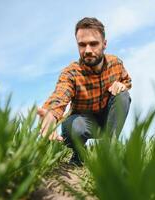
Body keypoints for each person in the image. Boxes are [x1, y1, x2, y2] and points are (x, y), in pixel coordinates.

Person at [37, 17, 132, 166]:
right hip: (81, 124)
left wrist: (121, 85)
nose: (87, 50)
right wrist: (51, 113)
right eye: (82, 45)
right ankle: (79, 155)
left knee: (123, 95)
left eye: (93, 44)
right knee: (76, 127)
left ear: (104, 44)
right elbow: (60, 94)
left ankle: (110, 151)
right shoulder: (71, 73)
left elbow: (127, 81)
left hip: (107, 121)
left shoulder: (116, 63)